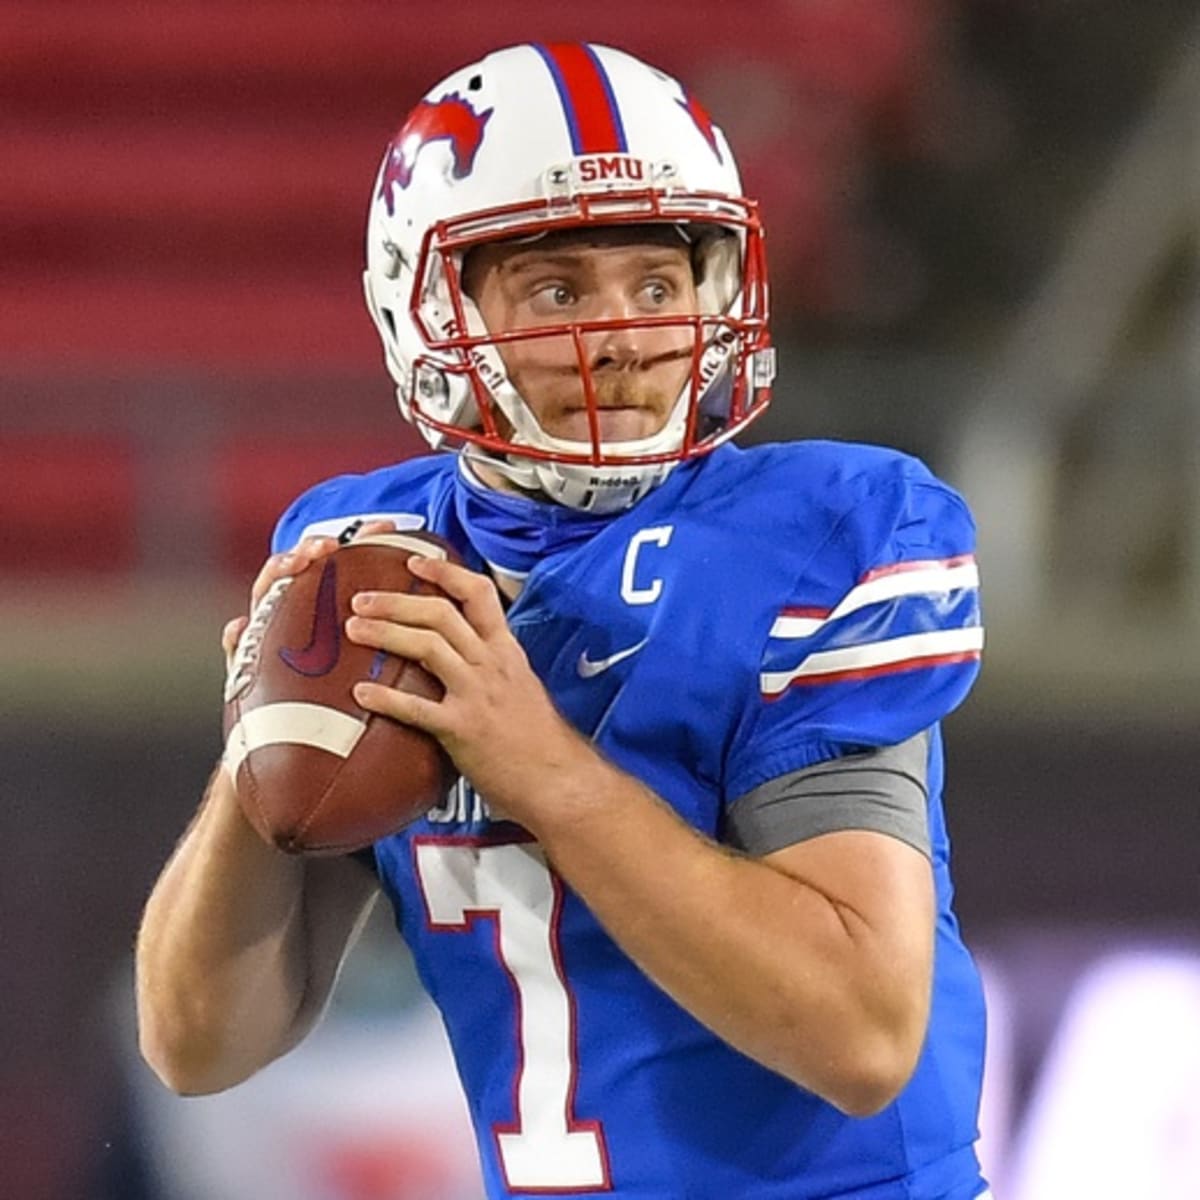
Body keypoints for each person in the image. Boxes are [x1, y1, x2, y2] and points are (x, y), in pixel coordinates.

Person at [136, 41, 991, 1200]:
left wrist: (538, 763)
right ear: (429, 309)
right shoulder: (373, 554)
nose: (625, 335)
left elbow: (860, 1035)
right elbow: (197, 1043)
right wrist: (256, 775)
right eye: (557, 291)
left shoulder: (826, 535)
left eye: (657, 282)